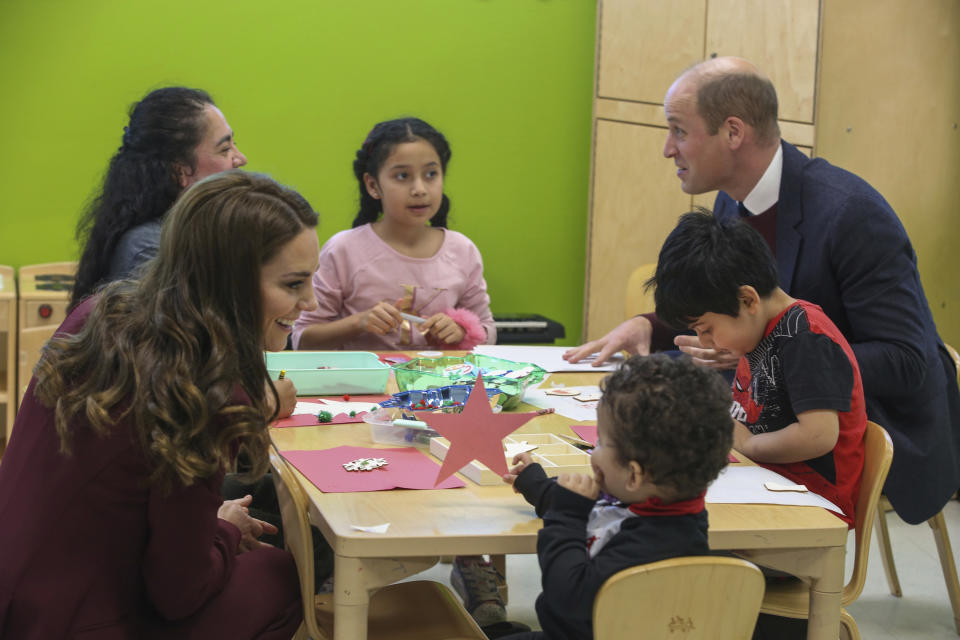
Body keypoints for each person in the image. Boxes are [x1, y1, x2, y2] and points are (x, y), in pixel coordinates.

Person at [564, 57, 960, 525]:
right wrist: (649, 325)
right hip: (766, 400)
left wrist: (766, 357)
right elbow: (737, 305)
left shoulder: (850, 215)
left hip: (857, 429)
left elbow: (910, 363)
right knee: (634, 396)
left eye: (679, 131)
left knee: (671, 440)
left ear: (733, 133)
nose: (668, 149)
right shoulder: (732, 197)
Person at [0, 171, 313, 638]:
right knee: (279, 576)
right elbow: (180, 593)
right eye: (292, 284)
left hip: (18, 591)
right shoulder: (204, 387)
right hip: (72, 621)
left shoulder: (101, 312)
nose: (308, 301)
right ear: (229, 283)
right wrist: (223, 531)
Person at [653, 210, 866, 525]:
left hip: (813, 505)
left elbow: (818, 435)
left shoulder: (804, 336)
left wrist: (749, 444)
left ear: (747, 300)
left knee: (676, 528)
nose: (707, 342)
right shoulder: (758, 331)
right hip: (765, 480)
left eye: (706, 328)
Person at [498, 354, 733, 640]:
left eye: (600, 441)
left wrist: (566, 517)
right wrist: (537, 485)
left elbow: (566, 599)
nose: (593, 451)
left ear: (633, 475)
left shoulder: (654, 545)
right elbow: (595, 504)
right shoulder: (661, 496)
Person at [292, 117, 496, 351]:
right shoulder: (343, 249)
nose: (419, 189)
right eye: (402, 176)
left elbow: (488, 331)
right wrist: (358, 322)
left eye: (431, 174)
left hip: (439, 385)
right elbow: (302, 338)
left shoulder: (462, 250)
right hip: (362, 386)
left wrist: (461, 331)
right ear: (373, 186)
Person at [71, 86, 248, 309]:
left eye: (234, 144)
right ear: (180, 171)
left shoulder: (198, 233)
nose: (241, 158)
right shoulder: (150, 249)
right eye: (225, 149)